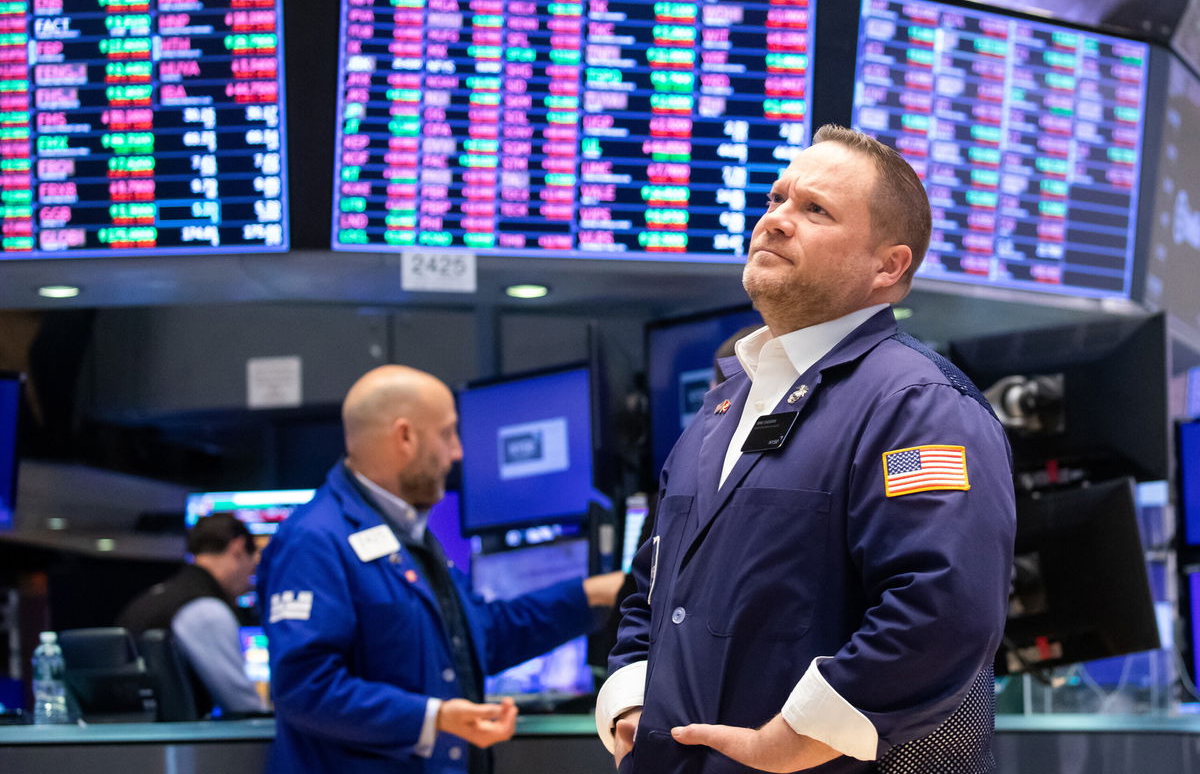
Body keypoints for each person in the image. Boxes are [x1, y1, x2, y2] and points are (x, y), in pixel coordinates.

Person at [596, 124, 1016, 773]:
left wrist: (800, 734)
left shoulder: (917, 406)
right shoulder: (724, 403)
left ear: (889, 265)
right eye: (775, 199)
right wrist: (629, 701)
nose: (777, 220)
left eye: (814, 209)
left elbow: (942, 607)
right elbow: (651, 586)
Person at [257, 364, 624, 774]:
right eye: (448, 434)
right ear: (405, 437)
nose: (458, 452)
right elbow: (304, 688)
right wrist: (434, 717)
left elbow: (483, 635)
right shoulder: (315, 540)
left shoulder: (410, 535)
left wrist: (595, 594)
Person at [118, 512, 266, 716]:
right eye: (253, 568)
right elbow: (242, 706)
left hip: (134, 739)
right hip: (176, 743)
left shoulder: (151, 598)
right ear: (238, 549)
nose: (250, 581)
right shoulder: (206, 611)